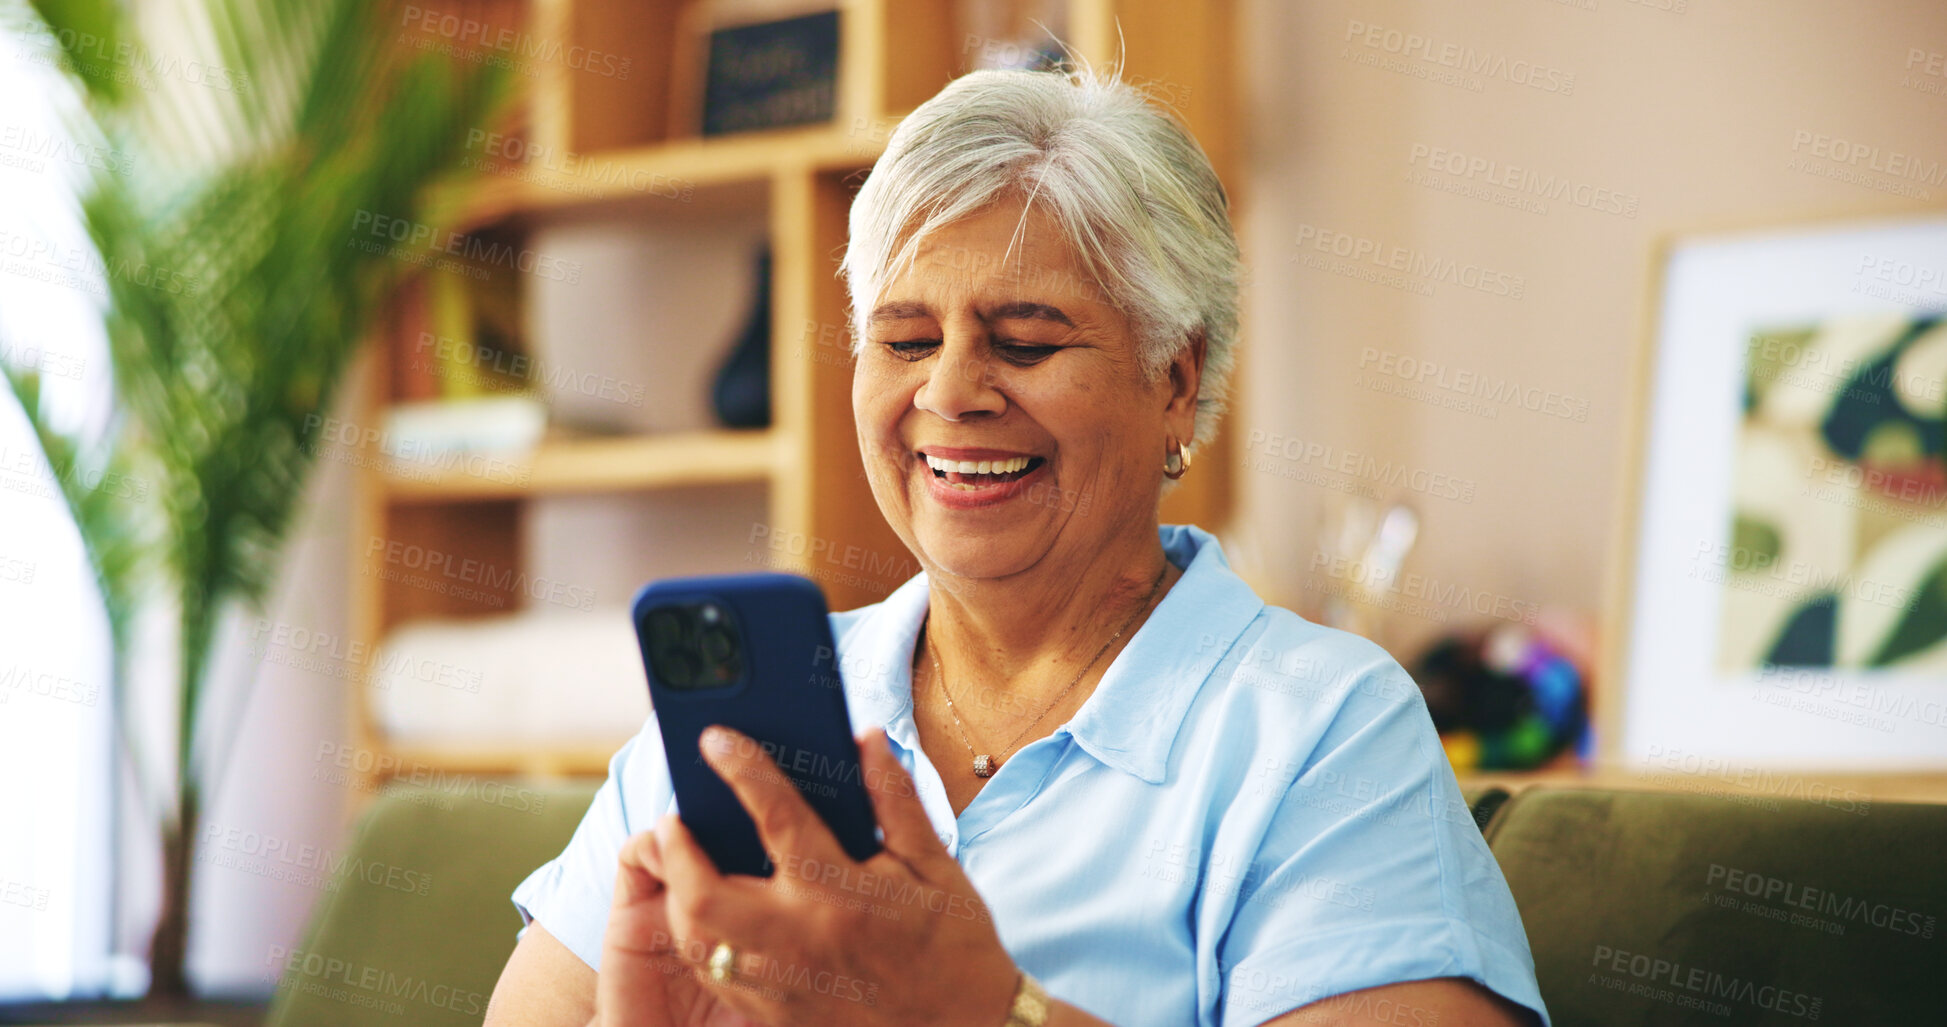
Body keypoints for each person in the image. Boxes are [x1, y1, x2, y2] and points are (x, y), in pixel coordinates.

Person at [484, 65, 1550, 1027]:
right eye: (904, 339)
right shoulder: (737, 724)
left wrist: (991, 1014)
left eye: (1026, 341)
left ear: (1175, 379)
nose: (948, 392)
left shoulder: (1318, 729)